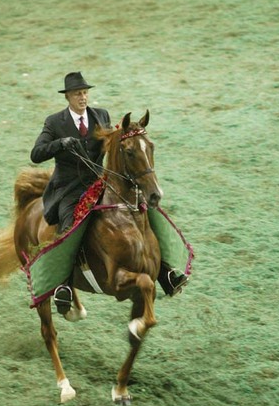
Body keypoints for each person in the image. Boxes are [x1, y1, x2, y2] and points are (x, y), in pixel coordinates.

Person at [30, 72, 188, 314]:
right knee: (70, 225)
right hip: (68, 187)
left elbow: (114, 143)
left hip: (100, 181)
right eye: (77, 94)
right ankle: (64, 285)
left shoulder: (100, 115)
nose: (82, 97)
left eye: (84, 93)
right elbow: (36, 153)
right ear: (68, 97)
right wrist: (60, 144)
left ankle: (164, 271)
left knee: (146, 209)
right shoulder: (54, 123)